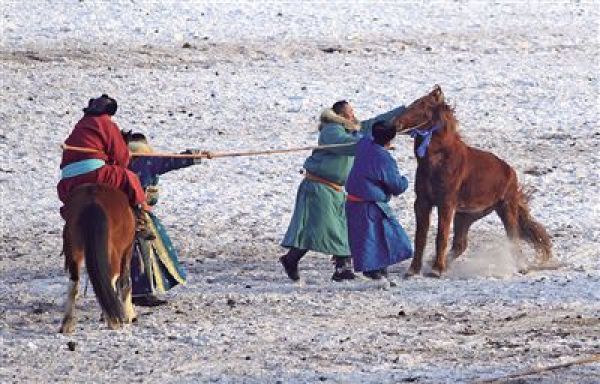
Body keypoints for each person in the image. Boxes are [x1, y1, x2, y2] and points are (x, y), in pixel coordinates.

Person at [280, 100, 406, 282]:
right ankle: (340, 268)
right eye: (350, 112)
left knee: (334, 228)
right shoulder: (331, 130)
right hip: (319, 187)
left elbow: (373, 125)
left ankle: (296, 260)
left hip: (335, 189)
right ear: (340, 115)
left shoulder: (351, 129)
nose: (353, 115)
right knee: (330, 229)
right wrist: (374, 142)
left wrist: (403, 111)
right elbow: (347, 145)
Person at [57, 95, 153, 239]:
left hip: (69, 181)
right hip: (95, 174)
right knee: (129, 177)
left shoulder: (81, 125)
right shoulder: (106, 124)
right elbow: (121, 157)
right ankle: (139, 217)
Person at [126, 133, 201, 306]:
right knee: (146, 251)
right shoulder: (148, 161)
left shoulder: (117, 161)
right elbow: (173, 161)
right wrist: (194, 155)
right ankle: (141, 292)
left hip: (123, 209)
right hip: (139, 214)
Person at [345, 121, 413, 280]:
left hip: (353, 202)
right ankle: (374, 271)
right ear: (391, 139)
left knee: (368, 239)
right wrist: (405, 180)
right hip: (370, 205)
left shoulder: (364, 144)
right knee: (384, 238)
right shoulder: (384, 159)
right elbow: (397, 186)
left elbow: (367, 134)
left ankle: (378, 270)